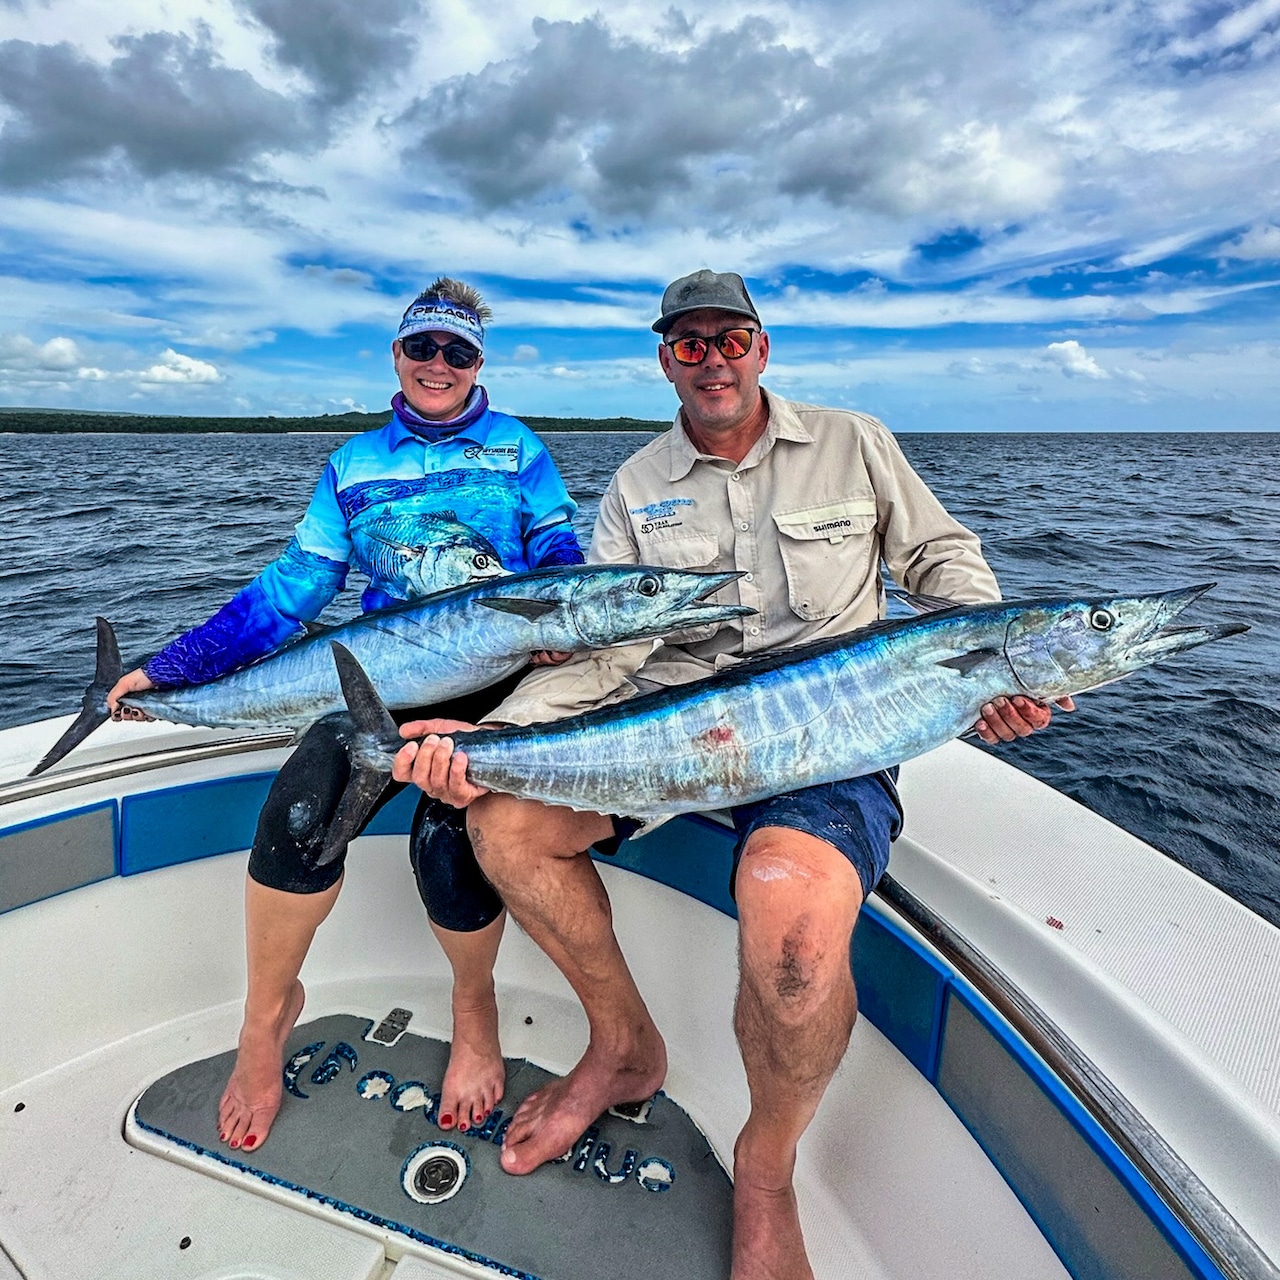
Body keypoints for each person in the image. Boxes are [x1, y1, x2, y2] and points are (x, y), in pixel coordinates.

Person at [392, 269, 1071, 1280]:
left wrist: (982, 657)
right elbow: (607, 652)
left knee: (790, 926)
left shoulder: (854, 440)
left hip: (822, 739)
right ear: (664, 358)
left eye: (730, 337)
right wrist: (479, 738)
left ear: (762, 346)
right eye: (687, 343)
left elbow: (941, 558)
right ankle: (622, 1045)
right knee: (501, 826)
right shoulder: (632, 484)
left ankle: (764, 1165)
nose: (712, 358)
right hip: (668, 732)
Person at [105, 277, 586, 1155]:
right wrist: (170, 670)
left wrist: (558, 622)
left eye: (458, 351)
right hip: (382, 682)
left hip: (496, 687)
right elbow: (291, 593)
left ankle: (472, 1014)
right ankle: (266, 1021)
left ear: (479, 363)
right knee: (299, 809)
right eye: (423, 348)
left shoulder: (518, 449)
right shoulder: (354, 464)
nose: (439, 365)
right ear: (397, 355)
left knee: (451, 832)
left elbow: (559, 552)